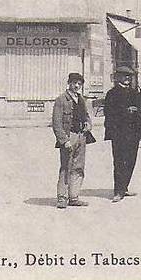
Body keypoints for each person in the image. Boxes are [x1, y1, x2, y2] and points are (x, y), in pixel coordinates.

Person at [51, 73, 92, 209]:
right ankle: (62, 198)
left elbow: (86, 116)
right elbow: (56, 123)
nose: (76, 86)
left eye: (79, 84)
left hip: (81, 136)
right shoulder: (61, 100)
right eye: (74, 83)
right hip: (69, 137)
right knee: (66, 167)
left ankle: (74, 197)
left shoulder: (82, 99)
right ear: (69, 83)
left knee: (78, 167)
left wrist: (88, 124)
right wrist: (64, 140)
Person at [104, 67, 141, 203]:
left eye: (129, 77)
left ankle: (124, 187)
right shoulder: (112, 94)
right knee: (119, 161)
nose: (127, 79)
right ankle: (118, 190)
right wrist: (127, 111)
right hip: (119, 134)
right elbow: (109, 113)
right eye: (125, 76)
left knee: (131, 160)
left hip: (133, 134)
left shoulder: (134, 93)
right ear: (118, 77)